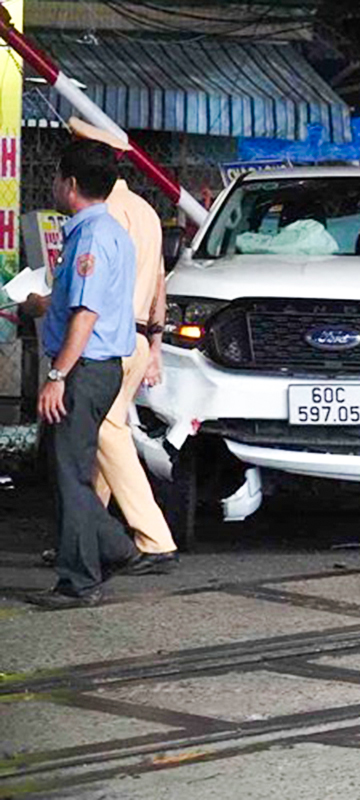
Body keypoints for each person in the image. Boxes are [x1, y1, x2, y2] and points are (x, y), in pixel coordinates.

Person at [26, 140, 140, 610]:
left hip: (85, 368)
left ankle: (80, 579)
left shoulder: (91, 239)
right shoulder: (109, 231)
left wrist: (57, 375)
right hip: (97, 366)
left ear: (69, 185)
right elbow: (79, 302)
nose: (54, 184)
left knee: (71, 474)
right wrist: (41, 306)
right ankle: (115, 550)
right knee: (65, 468)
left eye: (55, 177)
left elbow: (87, 315)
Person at [70, 119, 178, 571]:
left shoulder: (104, 216)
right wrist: (154, 345)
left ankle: (154, 537)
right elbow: (158, 284)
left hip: (107, 340)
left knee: (106, 434)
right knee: (104, 438)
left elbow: (95, 291)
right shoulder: (147, 211)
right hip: (136, 339)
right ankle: (85, 536)